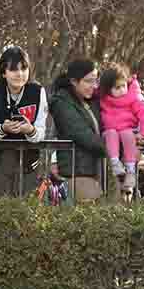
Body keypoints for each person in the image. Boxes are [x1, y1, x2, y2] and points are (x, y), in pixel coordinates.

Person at [0, 46, 48, 196]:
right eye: (14, 70)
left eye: (24, 69)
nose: (20, 74)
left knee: (27, 210)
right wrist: (3, 129)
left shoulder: (38, 92)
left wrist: (30, 130)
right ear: (4, 72)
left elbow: (41, 133)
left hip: (28, 164)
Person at [48, 59, 106, 203]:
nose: (94, 86)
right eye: (88, 81)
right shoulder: (61, 102)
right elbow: (81, 134)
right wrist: (115, 150)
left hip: (97, 170)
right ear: (74, 81)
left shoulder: (91, 100)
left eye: (95, 81)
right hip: (77, 173)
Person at [97, 63, 144, 200]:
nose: (122, 90)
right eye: (117, 87)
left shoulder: (133, 97)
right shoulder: (103, 98)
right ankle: (115, 163)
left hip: (128, 131)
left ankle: (130, 169)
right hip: (109, 132)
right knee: (111, 133)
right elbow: (94, 91)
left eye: (124, 85)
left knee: (127, 134)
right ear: (108, 89)